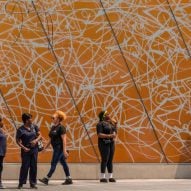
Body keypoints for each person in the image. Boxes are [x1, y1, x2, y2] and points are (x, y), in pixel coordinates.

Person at [39, 110, 73, 185]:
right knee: (63, 163)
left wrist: (64, 151)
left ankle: (47, 178)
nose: (52, 119)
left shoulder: (61, 128)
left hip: (59, 148)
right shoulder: (53, 127)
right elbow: (50, 140)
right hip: (56, 148)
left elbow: (64, 140)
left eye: (53, 118)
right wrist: (45, 148)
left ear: (58, 119)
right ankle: (69, 178)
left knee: (53, 162)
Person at [16, 113, 42, 189]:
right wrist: (24, 148)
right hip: (26, 150)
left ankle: (33, 183)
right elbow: (17, 141)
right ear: (26, 120)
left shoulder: (34, 127)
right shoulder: (20, 130)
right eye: (30, 118)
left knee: (34, 166)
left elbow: (40, 135)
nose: (31, 119)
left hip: (34, 150)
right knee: (25, 166)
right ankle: (21, 183)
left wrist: (35, 141)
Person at [96, 110, 117, 183]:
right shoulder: (100, 124)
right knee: (105, 159)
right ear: (103, 116)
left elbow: (115, 132)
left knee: (110, 160)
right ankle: (102, 177)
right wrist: (109, 135)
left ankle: (111, 177)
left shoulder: (111, 124)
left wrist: (115, 124)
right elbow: (99, 134)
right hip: (103, 143)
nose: (109, 115)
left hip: (111, 143)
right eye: (107, 114)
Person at [0, 116, 6, 189]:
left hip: (1, 153)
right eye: (2, 121)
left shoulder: (1, 130)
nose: (3, 122)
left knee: (0, 168)